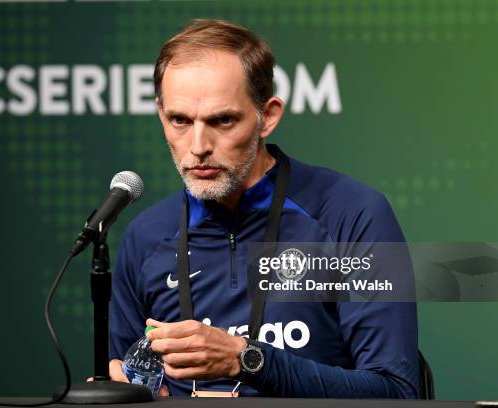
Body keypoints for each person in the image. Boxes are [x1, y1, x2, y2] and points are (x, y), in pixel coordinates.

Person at [107, 19, 418, 398]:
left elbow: (397, 393)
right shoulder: (146, 236)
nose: (198, 145)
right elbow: (125, 380)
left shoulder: (350, 215)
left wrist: (246, 359)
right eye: (180, 120)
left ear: (267, 116)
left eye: (222, 120)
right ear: (161, 116)